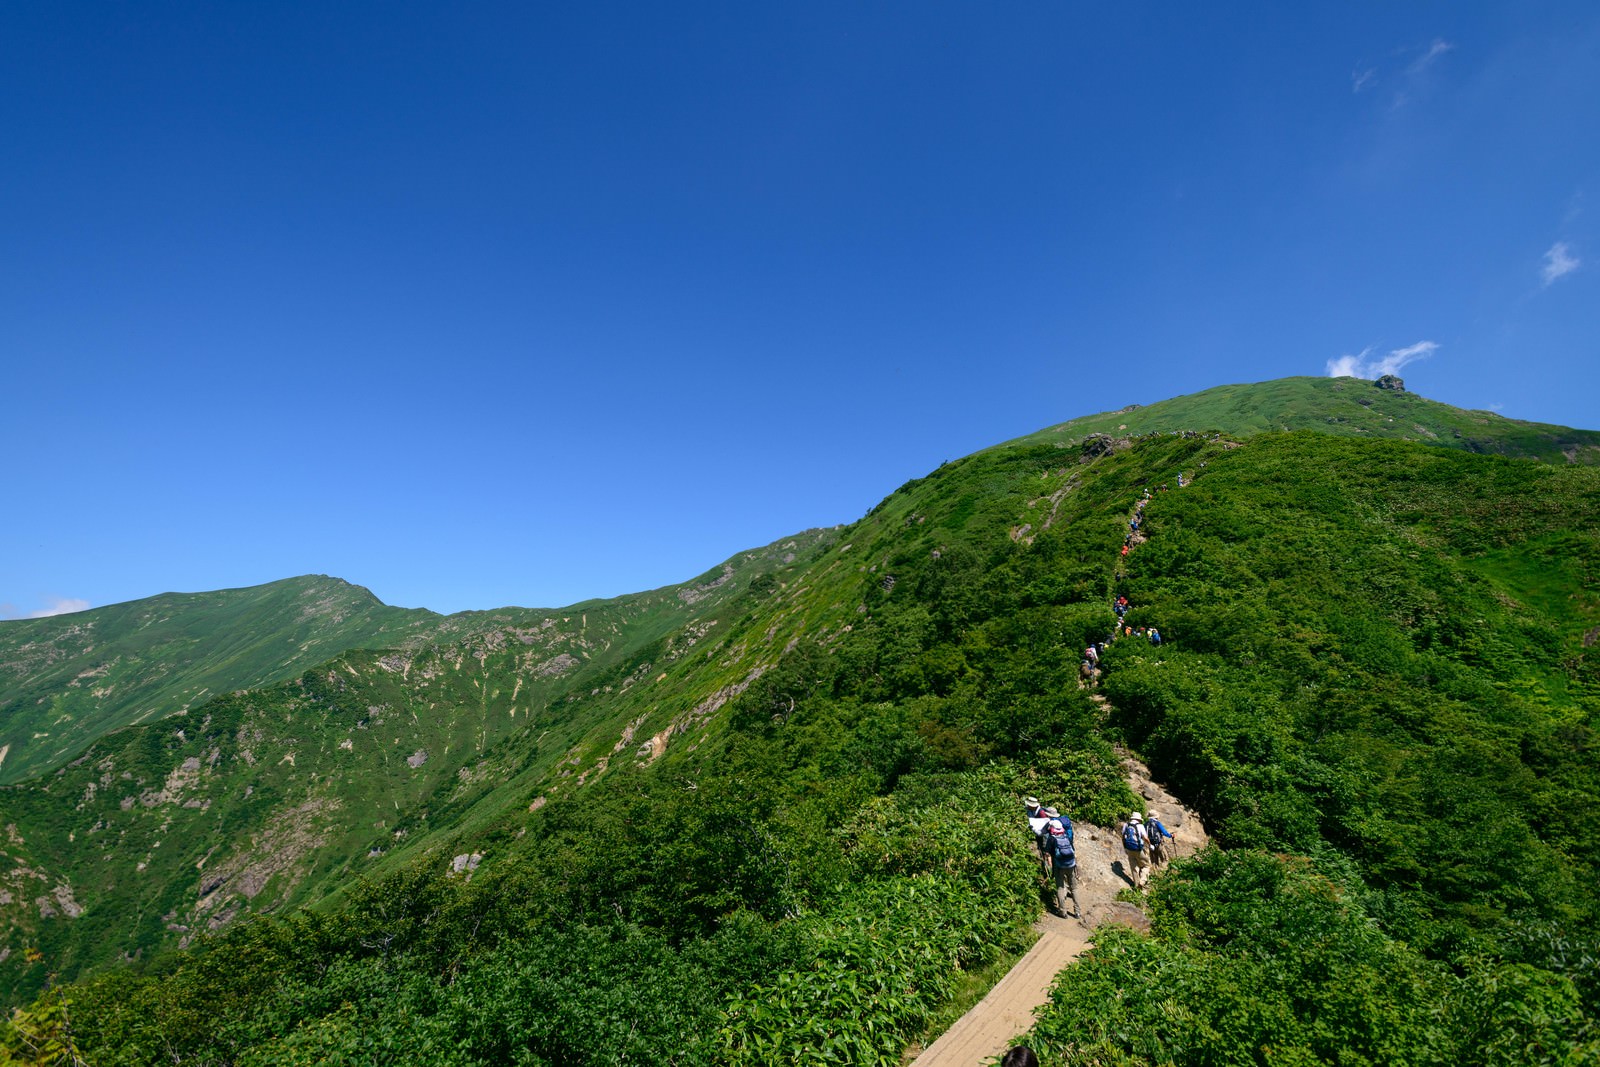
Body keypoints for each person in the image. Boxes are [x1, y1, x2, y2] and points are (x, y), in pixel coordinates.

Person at [1042, 806, 1081, 920]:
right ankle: (1077, 912)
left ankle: (1063, 911)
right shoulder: (1066, 836)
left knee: (1060, 887)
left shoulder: (1052, 838)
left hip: (1059, 865)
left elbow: (1047, 852)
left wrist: (1049, 864)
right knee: (1074, 888)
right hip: (1071, 864)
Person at [1122, 812, 1151, 888]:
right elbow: (1145, 838)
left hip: (1129, 848)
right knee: (1147, 865)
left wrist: (1125, 847)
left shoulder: (1126, 825)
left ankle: (1136, 886)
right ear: (1139, 819)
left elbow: (1123, 837)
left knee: (1134, 867)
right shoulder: (1140, 826)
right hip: (1138, 849)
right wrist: (1149, 845)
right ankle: (1142, 881)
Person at [1025, 796, 1050, 876]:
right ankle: (1046, 866)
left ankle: (1049, 869)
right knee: (1041, 848)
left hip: (1044, 833)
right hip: (1038, 832)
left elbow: (1046, 825)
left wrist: (1037, 831)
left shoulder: (1041, 813)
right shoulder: (1031, 810)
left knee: (1046, 850)